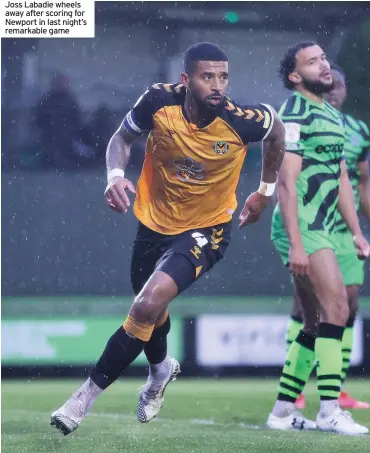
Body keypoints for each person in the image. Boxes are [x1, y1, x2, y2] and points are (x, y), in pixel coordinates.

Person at [50, 42, 285, 436]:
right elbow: (120, 140)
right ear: (186, 79)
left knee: (148, 302)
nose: (217, 85)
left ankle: (82, 399)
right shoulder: (159, 100)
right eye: (207, 76)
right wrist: (114, 177)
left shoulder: (242, 120)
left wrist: (265, 190)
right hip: (153, 224)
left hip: (207, 229)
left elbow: (276, 131)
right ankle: (160, 371)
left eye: (223, 77)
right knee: (149, 313)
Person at [267, 41, 370, 435]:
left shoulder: (330, 113)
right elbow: (287, 183)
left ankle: (280, 413)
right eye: (313, 61)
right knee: (337, 308)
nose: (324, 64)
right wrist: (295, 242)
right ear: (295, 76)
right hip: (302, 225)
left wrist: (358, 232)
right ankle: (329, 411)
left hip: (321, 226)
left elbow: (342, 176)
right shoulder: (292, 113)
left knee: (313, 323)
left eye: (324, 58)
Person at [287, 63, 370, 411]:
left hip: (343, 231)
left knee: (347, 305)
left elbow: (359, 182)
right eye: (329, 84)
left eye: (339, 85)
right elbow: (285, 174)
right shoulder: (299, 117)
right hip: (310, 224)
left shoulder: (356, 131)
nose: (334, 91)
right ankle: (296, 391)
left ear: (345, 90)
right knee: (310, 308)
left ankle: (332, 390)